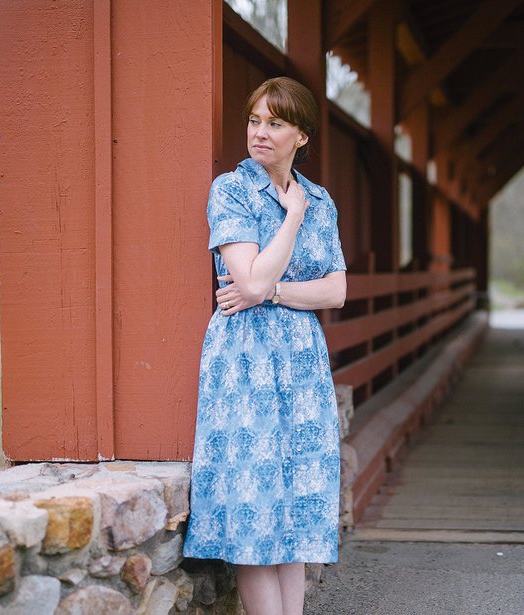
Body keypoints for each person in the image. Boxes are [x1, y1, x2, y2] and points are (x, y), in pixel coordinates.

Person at [183, 76, 347, 615]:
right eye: (255, 120)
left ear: (301, 135)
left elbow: (337, 290)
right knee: (255, 499)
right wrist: (290, 219)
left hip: (301, 361)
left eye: (275, 123)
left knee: (296, 500)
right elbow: (246, 283)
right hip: (245, 362)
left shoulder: (321, 201)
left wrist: (273, 290)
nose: (260, 132)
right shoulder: (231, 191)